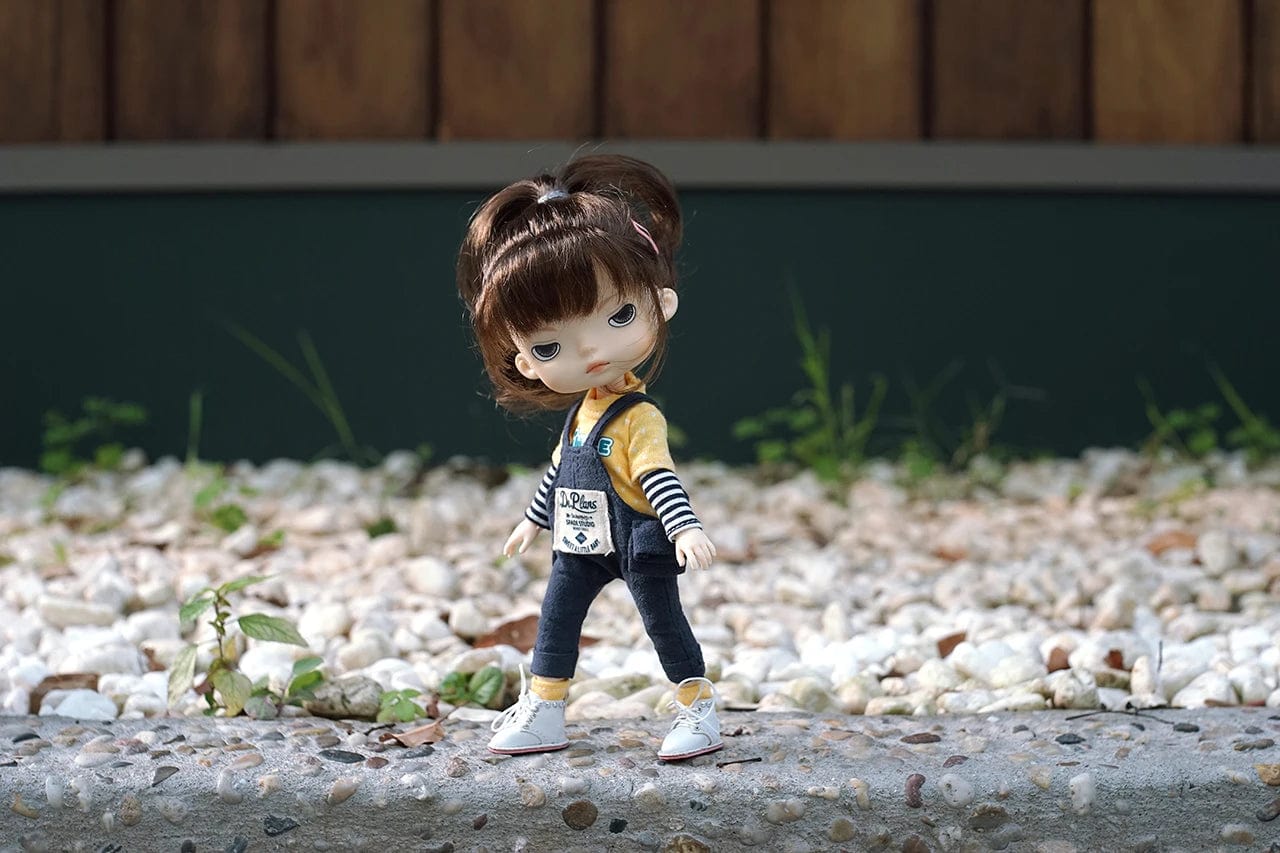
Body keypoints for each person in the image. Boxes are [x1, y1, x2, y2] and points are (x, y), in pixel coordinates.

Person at [455, 154, 722, 761]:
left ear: (662, 303)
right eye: (550, 347)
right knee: (556, 619)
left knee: (663, 623)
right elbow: (559, 470)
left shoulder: (638, 418)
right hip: (578, 538)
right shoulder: (579, 415)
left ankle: (698, 707)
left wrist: (683, 527)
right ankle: (545, 707)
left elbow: (657, 475)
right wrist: (532, 520)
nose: (592, 351)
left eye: (618, 316)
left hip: (639, 539)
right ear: (525, 362)